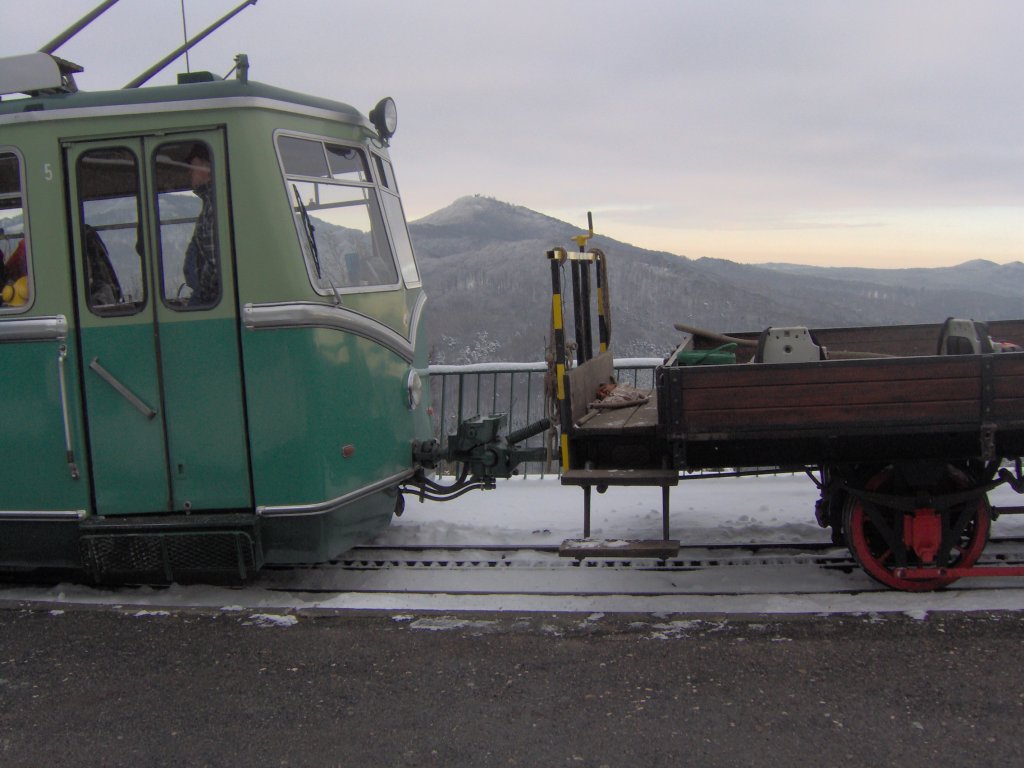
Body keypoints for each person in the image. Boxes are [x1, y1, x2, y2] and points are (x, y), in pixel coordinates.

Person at [182, 143, 219, 306]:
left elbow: (216, 263)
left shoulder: (214, 205)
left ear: (207, 169)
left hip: (208, 300)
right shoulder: (211, 202)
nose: (189, 172)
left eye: (193, 167)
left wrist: (203, 294)